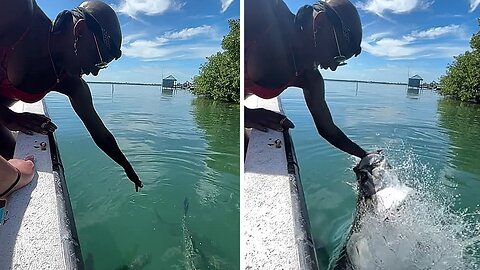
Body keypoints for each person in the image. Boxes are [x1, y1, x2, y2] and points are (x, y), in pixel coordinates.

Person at [0, 1, 143, 191]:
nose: (95, 72)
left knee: (14, 186)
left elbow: (101, 135)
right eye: (98, 61)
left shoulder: (71, 83)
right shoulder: (17, 10)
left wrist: (128, 168)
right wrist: (9, 117)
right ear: (80, 31)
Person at [245, 0, 368, 159]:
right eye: (338, 56)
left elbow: (328, 130)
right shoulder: (264, 11)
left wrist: (366, 156)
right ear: (320, 23)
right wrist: (246, 115)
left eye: (340, 62)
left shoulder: (310, 78)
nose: (333, 67)